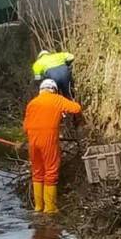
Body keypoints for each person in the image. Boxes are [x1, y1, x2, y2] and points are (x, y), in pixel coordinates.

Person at [23, 79, 82, 215]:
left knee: (37, 172)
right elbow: (76, 108)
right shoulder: (56, 99)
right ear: (54, 89)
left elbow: (25, 127)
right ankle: (50, 208)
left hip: (33, 141)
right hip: (48, 140)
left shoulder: (32, 103)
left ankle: (38, 207)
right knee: (51, 170)